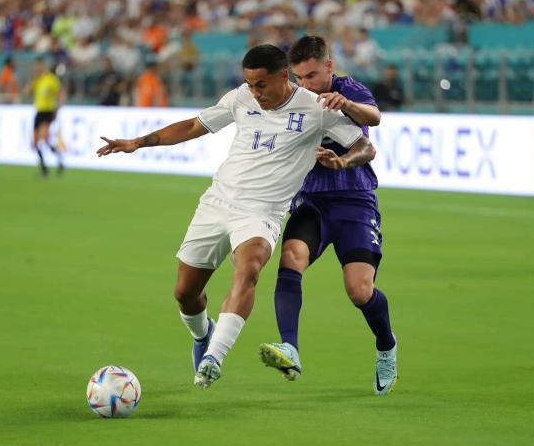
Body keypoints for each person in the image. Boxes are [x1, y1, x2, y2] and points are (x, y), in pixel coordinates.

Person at [96, 44, 376, 390]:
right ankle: (203, 334)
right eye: (250, 84)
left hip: (262, 213)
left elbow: (365, 146)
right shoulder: (241, 98)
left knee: (250, 268)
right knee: (185, 292)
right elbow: (193, 126)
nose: (255, 92)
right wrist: (139, 142)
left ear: (283, 77)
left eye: (261, 84)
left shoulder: (315, 108)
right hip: (218, 203)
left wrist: (344, 161)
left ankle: (214, 356)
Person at [256, 36, 397, 395]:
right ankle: (290, 347)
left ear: (329, 67)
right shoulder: (295, 98)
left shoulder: (347, 89)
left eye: (313, 76)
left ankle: (386, 345)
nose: (306, 85)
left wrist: (345, 107)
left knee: (360, 291)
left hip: (354, 200)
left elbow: (374, 121)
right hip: (312, 200)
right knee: (290, 258)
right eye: (300, 77)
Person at [25, 58, 66, 177]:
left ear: (44, 66)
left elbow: (61, 93)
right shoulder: (37, 80)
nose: (38, 69)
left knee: (42, 138)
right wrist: (33, 80)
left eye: (40, 66)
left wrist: (58, 108)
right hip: (39, 112)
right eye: (37, 66)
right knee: (37, 142)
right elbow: (27, 92)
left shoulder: (51, 79)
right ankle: (58, 160)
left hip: (48, 112)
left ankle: (44, 169)